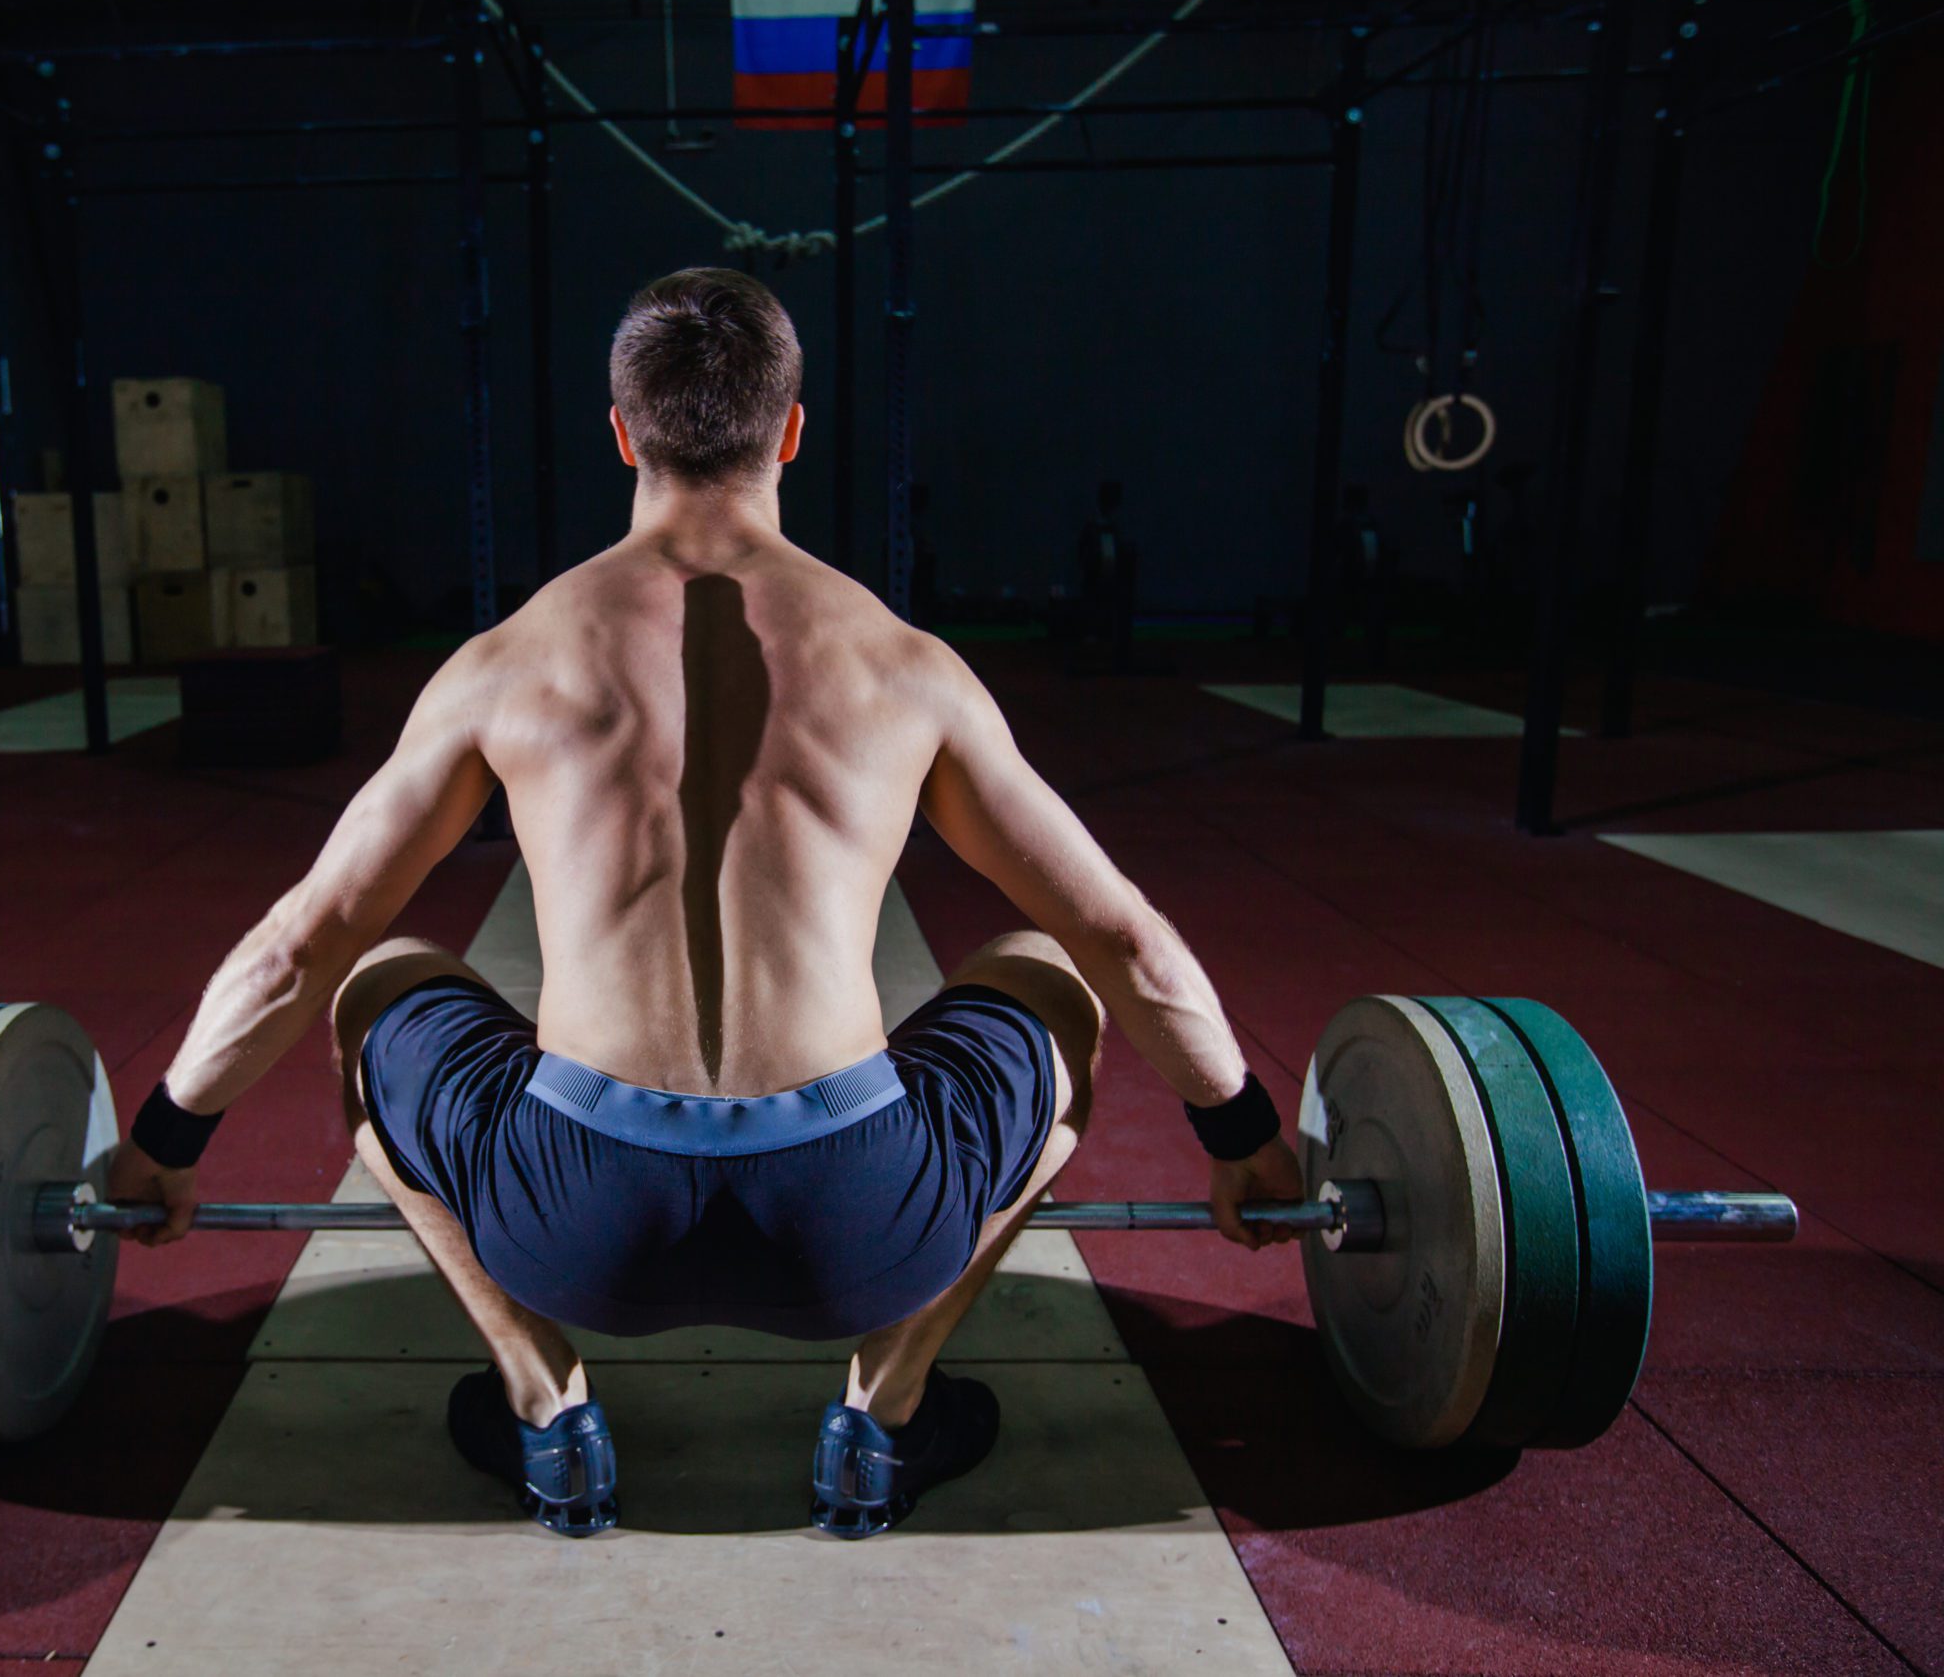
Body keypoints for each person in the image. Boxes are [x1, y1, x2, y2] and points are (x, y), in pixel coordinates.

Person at [108, 267, 1303, 1537]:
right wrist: (1245, 1140)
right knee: (1048, 976)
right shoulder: (906, 667)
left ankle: (541, 1398)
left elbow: (299, 949)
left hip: (573, 1224)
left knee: (378, 979)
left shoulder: (506, 664)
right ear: (791, 431)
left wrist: (163, 1143)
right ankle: (882, 1417)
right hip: (853, 1226)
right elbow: (1125, 941)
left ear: (621, 434)